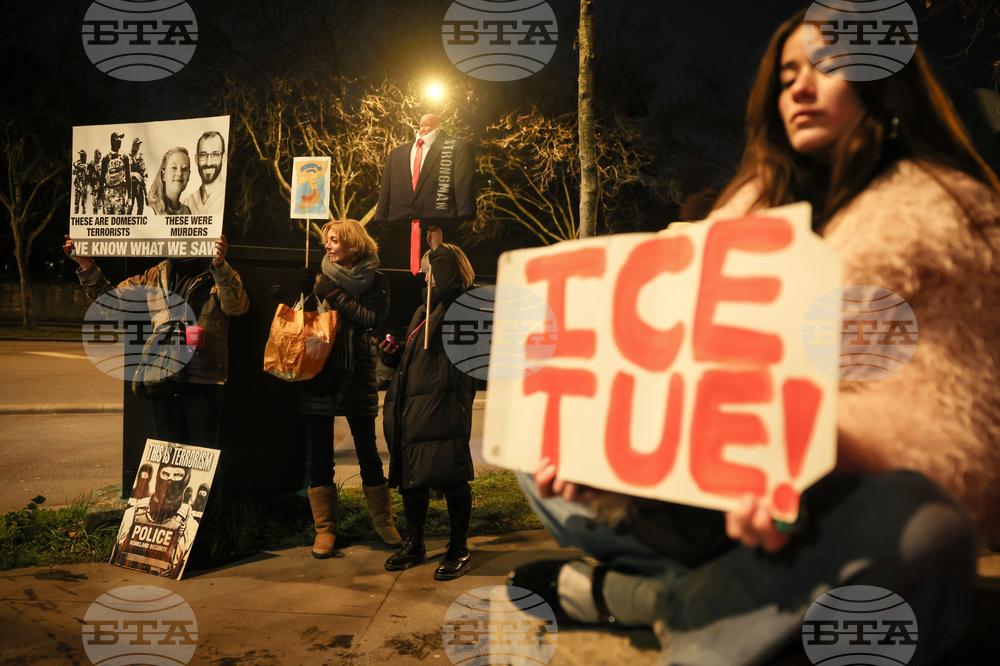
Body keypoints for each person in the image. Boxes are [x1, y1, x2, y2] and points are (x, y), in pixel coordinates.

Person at [510, 10, 1000, 665]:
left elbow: (959, 434)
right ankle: (704, 595)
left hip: (840, 497)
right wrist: (598, 453)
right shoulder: (741, 213)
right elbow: (666, 365)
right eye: (787, 75)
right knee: (529, 453)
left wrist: (794, 456)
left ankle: (671, 604)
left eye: (825, 66)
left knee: (928, 530)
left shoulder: (955, 215)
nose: (798, 88)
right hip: (708, 506)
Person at [62, 232, 248, 563]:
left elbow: (236, 305)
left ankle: (204, 542)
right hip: (162, 377)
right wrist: (86, 265)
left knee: (206, 465)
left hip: (205, 380)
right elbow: (111, 301)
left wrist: (220, 265)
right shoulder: (154, 275)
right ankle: (168, 543)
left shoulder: (217, 271)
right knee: (169, 465)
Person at [297, 218, 401, 557]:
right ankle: (325, 530)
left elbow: (371, 319)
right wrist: (307, 292)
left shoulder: (377, 280)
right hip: (319, 372)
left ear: (353, 244)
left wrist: (334, 294)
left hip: (356, 373)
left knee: (368, 454)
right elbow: (305, 321)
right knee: (319, 457)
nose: (328, 245)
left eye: (335, 240)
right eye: (327, 240)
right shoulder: (318, 276)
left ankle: (383, 521)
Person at [379, 229, 478, 580]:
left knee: (450, 474)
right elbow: (416, 359)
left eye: (429, 267)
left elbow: (450, 285)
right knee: (413, 476)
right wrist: (392, 357)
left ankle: (459, 546)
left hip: (442, 403)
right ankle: (415, 542)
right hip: (412, 407)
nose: (423, 273)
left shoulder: (460, 304)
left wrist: (437, 247)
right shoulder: (426, 308)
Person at [373, 113, 477, 274]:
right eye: (422, 124)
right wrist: (382, 213)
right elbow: (387, 184)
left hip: (443, 219)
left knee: (441, 271)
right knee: (404, 276)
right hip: (402, 223)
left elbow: (463, 181)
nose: (423, 127)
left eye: (427, 125)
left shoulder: (458, 147)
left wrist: (465, 210)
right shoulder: (397, 153)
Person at [114, 462, 196, 578]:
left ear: (185, 481)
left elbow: (178, 567)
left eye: (177, 475)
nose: (169, 481)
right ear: (158, 476)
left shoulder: (189, 524)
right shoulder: (132, 513)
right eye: (165, 474)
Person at [183, 131, 226, 215]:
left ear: (223, 158)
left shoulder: (228, 197)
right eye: (203, 155)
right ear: (196, 159)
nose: (208, 163)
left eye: (215, 154)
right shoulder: (188, 202)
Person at [148, 147, 193, 215]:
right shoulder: (150, 210)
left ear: (189, 175)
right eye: (174, 168)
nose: (179, 173)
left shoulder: (187, 211)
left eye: (184, 168)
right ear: (163, 175)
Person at [99, 132, 131, 215]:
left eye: (120, 139)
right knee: (107, 223)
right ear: (112, 141)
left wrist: (130, 197)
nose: (120, 141)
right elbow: (102, 178)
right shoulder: (105, 158)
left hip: (119, 195)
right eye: (117, 139)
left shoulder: (124, 157)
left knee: (119, 222)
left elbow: (128, 177)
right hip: (107, 195)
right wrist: (99, 196)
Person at [128, 137, 147, 216]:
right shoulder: (127, 156)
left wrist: (146, 193)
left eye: (139, 145)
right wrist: (134, 174)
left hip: (140, 186)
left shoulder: (140, 157)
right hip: (131, 186)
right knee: (129, 208)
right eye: (136, 145)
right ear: (133, 145)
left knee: (141, 208)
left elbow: (144, 171)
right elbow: (124, 172)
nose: (138, 147)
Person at [73, 150, 88, 215]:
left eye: (82, 155)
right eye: (81, 155)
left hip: (84, 186)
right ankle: (76, 211)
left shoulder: (86, 164)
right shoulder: (78, 163)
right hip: (78, 185)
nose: (81, 157)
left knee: (83, 202)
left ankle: (84, 211)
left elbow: (84, 168)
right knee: (76, 201)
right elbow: (74, 170)